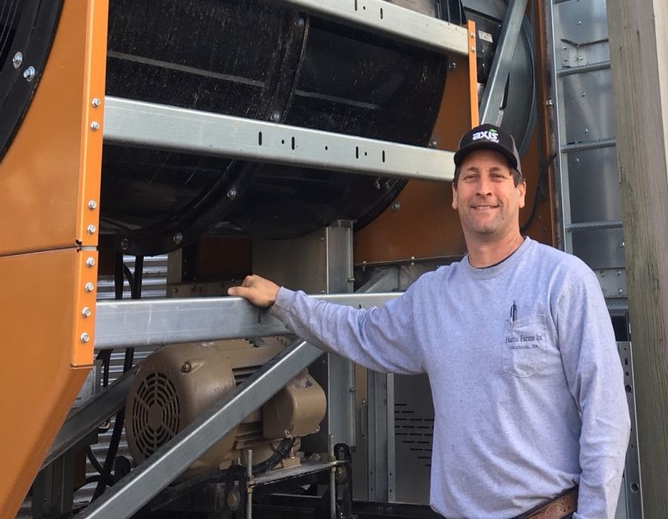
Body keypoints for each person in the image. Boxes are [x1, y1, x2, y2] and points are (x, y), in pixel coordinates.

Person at [228, 123, 630, 518]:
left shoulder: (563, 281)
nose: (484, 189)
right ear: (455, 195)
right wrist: (283, 300)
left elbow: (606, 414)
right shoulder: (433, 296)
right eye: (470, 177)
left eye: (498, 176)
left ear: (520, 192)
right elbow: (359, 332)